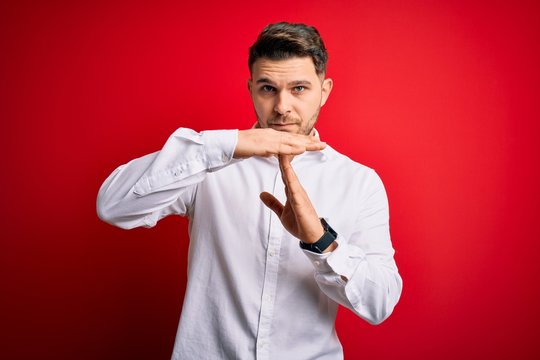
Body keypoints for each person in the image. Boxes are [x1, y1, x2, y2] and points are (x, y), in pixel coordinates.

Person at [97, 22, 402, 360]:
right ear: (251, 88)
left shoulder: (359, 182)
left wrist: (320, 239)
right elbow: (113, 206)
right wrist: (232, 143)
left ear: (324, 90)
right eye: (268, 88)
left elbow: (380, 303)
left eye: (299, 88)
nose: (282, 106)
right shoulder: (208, 165)